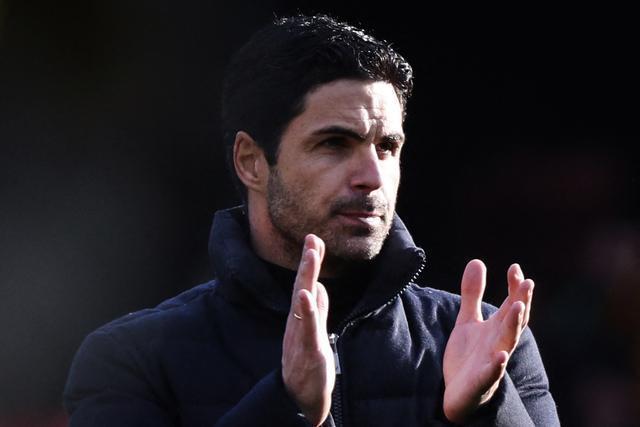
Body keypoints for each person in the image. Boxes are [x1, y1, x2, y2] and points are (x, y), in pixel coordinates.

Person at [64, 14, 559, 426]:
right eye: (334, 144)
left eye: (387, 147)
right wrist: (286, 405)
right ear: (251, 162)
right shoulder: (131, 359)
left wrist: (487, 409)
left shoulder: (486, 343)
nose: (372, 176)